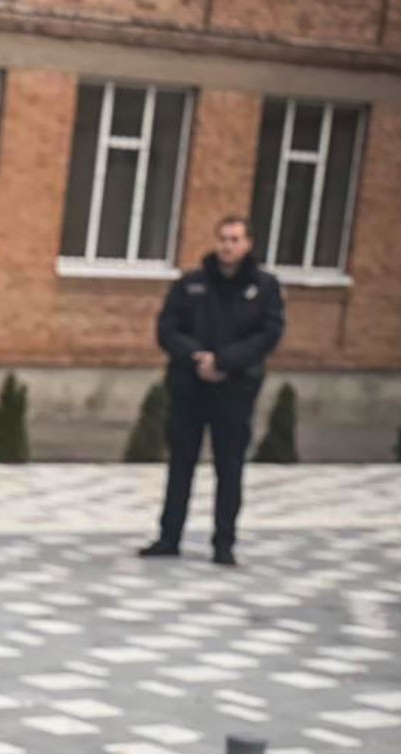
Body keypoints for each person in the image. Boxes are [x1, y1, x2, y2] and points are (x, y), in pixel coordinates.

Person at [142, 215, 285, 567]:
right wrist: (196, 357)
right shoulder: (191, 283)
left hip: (234, 389)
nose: (228, 246)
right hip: (190, 388)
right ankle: (169, 537)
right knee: (180, 464)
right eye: (223, 238)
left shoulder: (264, 288)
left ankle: (224, 543)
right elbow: (167, 329)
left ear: (248, 243)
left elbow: (268, 334)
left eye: (235, 239)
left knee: (230, 467)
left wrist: (224, 361)